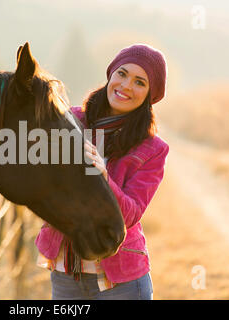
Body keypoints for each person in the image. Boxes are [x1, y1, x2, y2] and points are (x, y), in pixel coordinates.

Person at [35, 44, 169, 300]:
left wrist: (104, 178)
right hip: (66, 275)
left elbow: (131, 214)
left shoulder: (153, 149)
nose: (126, 85)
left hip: (122, 282)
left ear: (150, 94)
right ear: (110, 75)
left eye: (140, 82)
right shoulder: (69, 121)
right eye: (122, 73)